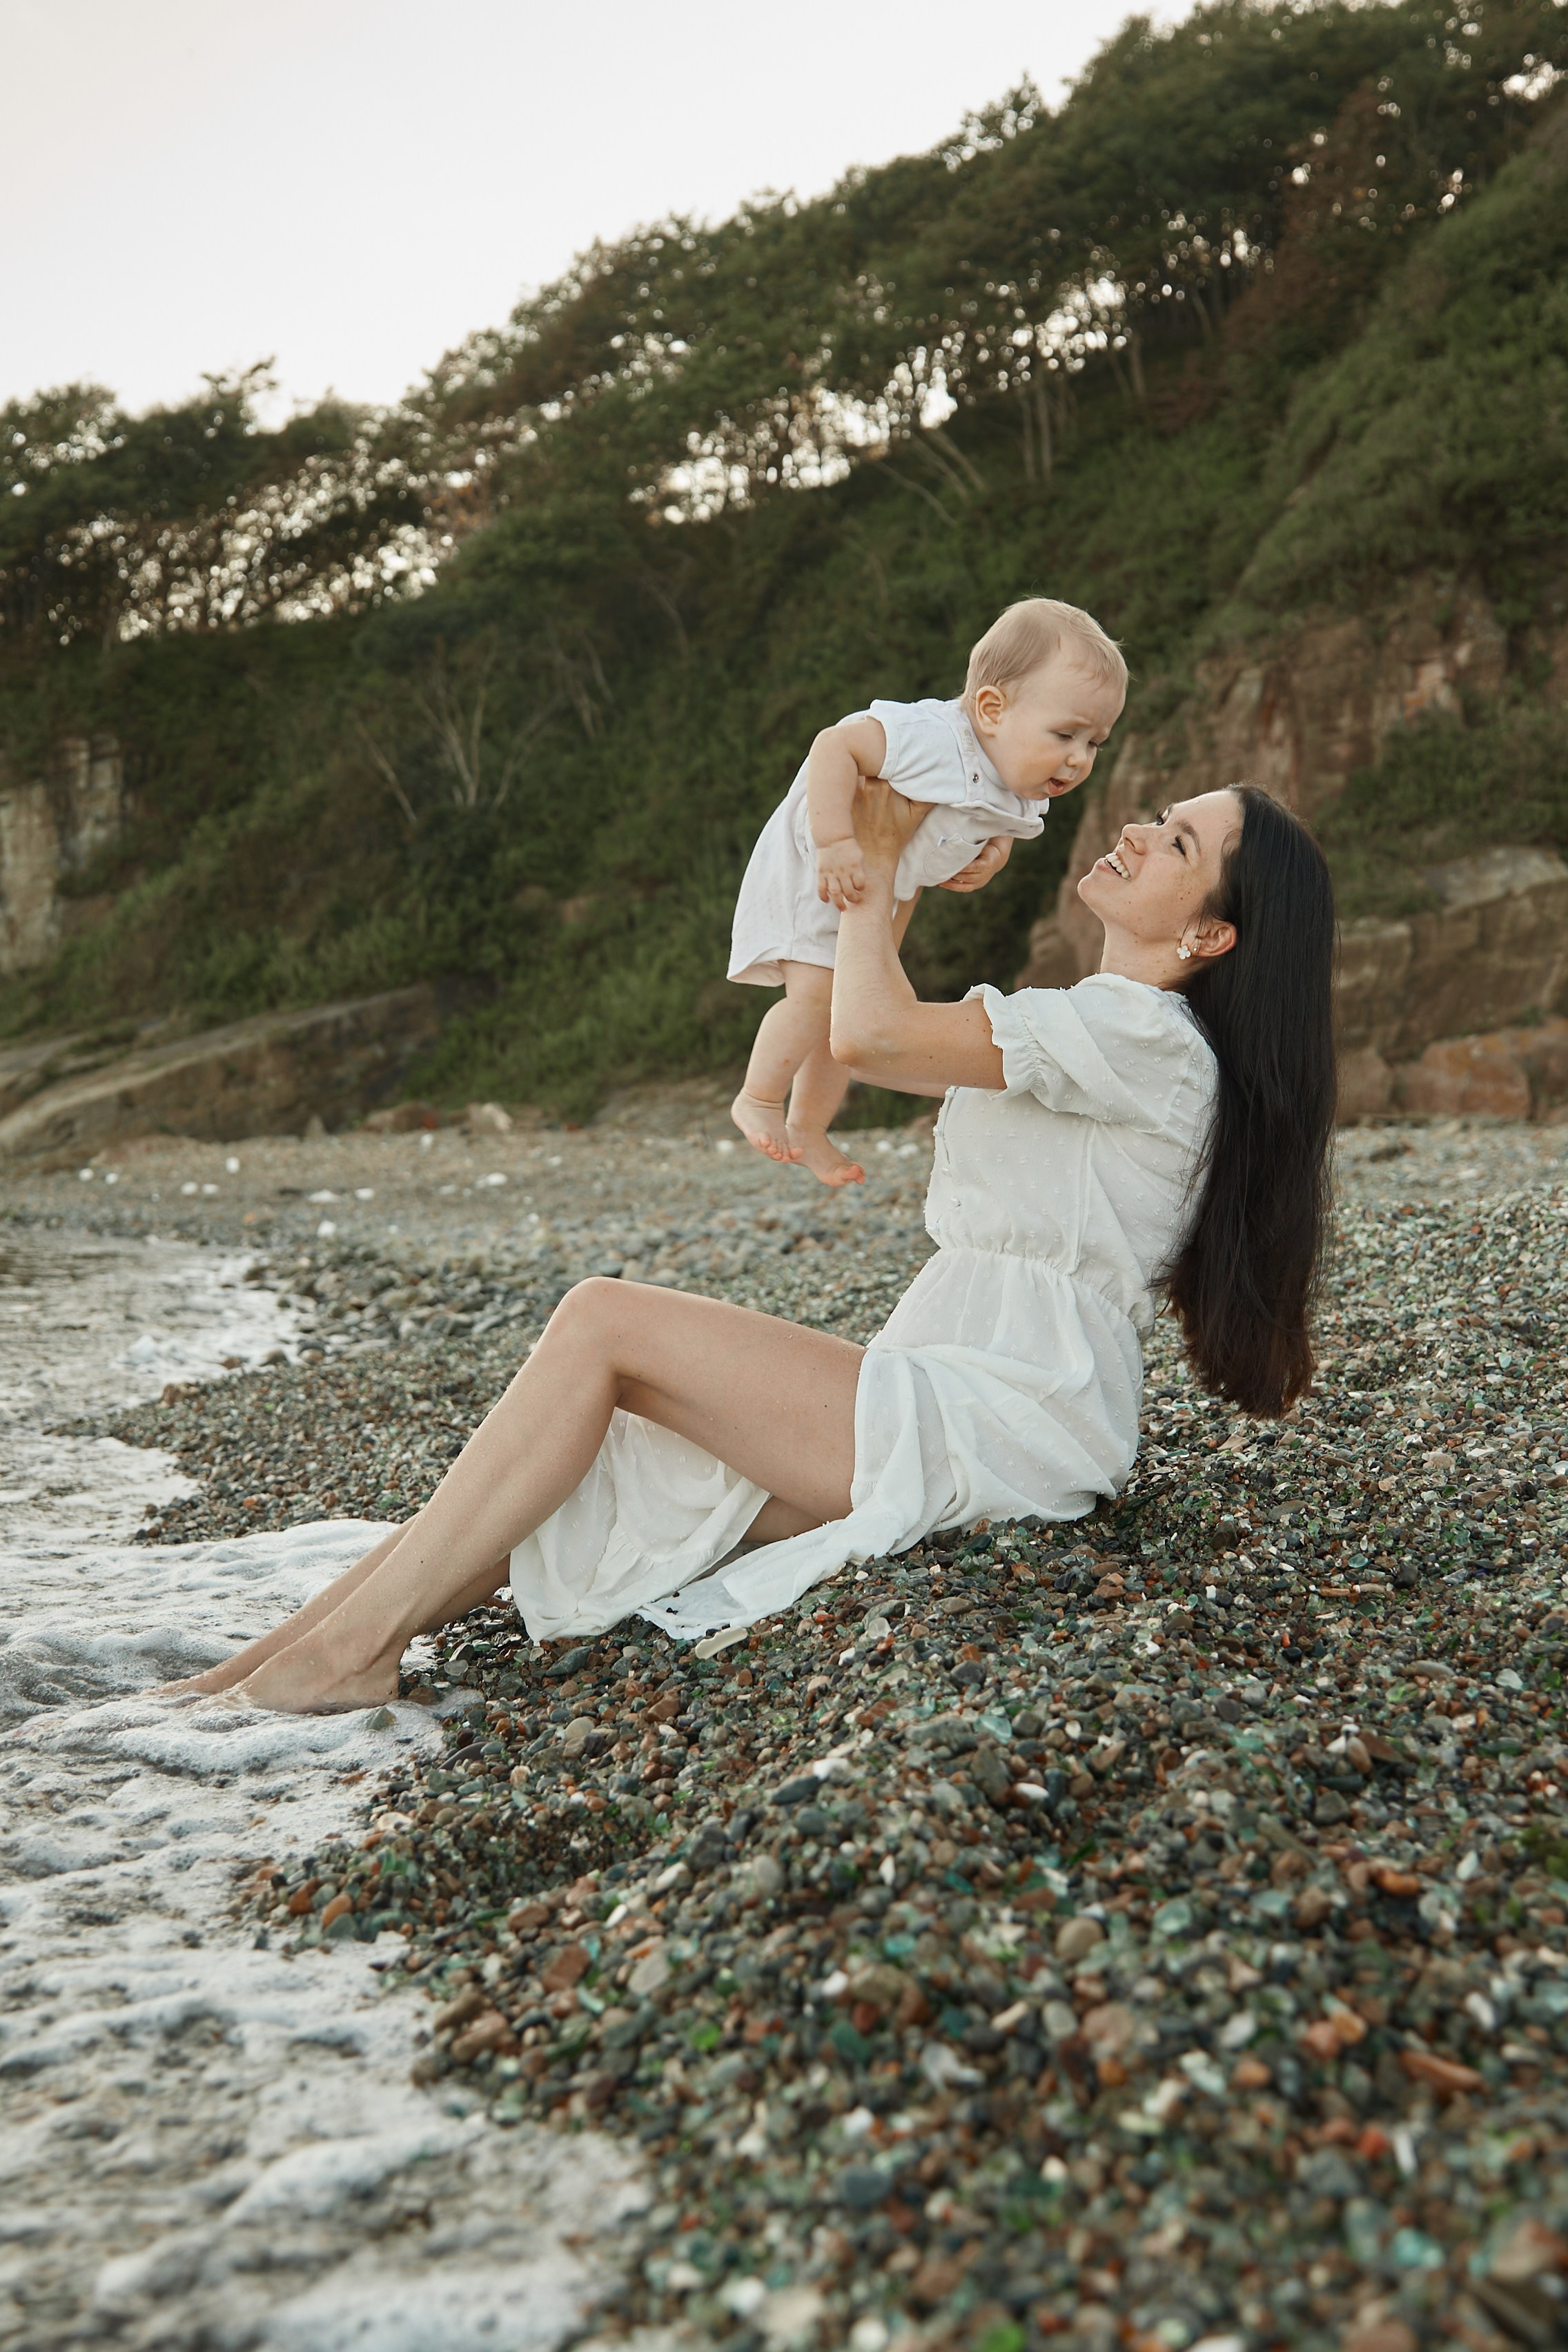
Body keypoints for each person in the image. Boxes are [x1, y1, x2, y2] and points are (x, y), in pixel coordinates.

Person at [170, 776, 1335, 1716]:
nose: (1136, 828)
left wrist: (881, 859)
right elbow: (861, 1022)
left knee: (603, 1320)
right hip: (971, 1386)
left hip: (1003, 1412)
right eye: (1158, 814)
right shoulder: (1102, 1027)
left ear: (1209, 930)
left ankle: (344, 1655)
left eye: (1175, 840)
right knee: (604, 1439)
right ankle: (251, 1673)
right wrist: (902, 874)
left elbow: (870, 1031)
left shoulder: (1142, 1034)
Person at [728, 598, 1127, 1184]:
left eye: (1095, 743)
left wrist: (990, 858)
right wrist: (836, 840)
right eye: (1066, 733)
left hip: (884, 888)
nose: (1078, 758)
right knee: (815, 997)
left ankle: (809, 1126)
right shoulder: (930, 737)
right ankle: (758, 1097)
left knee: (848, 1012)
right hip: (817, 866)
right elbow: (832, 747)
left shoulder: (1025, 783)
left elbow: (1000, 828)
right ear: (992, 709)